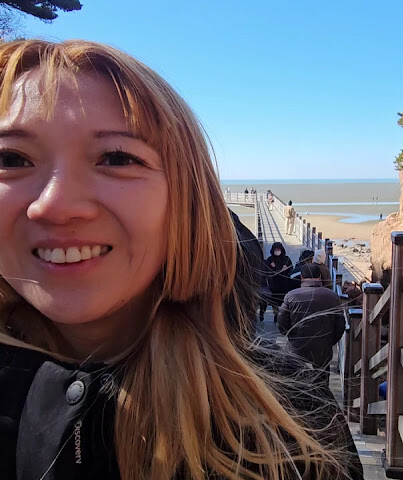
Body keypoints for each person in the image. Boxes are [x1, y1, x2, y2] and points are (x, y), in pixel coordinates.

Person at [0, 40, 363, 480]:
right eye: (11, 159)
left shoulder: (294, 429)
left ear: (187, 201)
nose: (55, 206)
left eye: (117, 158)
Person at [277, 263, 346, 386]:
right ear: (319, 277)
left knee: (295, 383)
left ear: (302, 277)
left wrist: (291, 335)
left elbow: (282, 323)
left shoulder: (291, 296)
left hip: (296, 347)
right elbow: (340, 325)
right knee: (322, 383)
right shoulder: (332, 296)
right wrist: (329, 341)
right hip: (322, 348)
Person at [264, 242, 292, 322]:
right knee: (274, 300)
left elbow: (291, 269)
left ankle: (283, 314)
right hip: (274, 284)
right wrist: (272, 268)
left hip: (284, 284)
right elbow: (267, 271)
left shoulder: (286, 259)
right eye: (275, 250)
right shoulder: (270, 259)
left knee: (284, 300)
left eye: (278, 249)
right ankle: (276, 313)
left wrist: (286, 268)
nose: (277, 251)